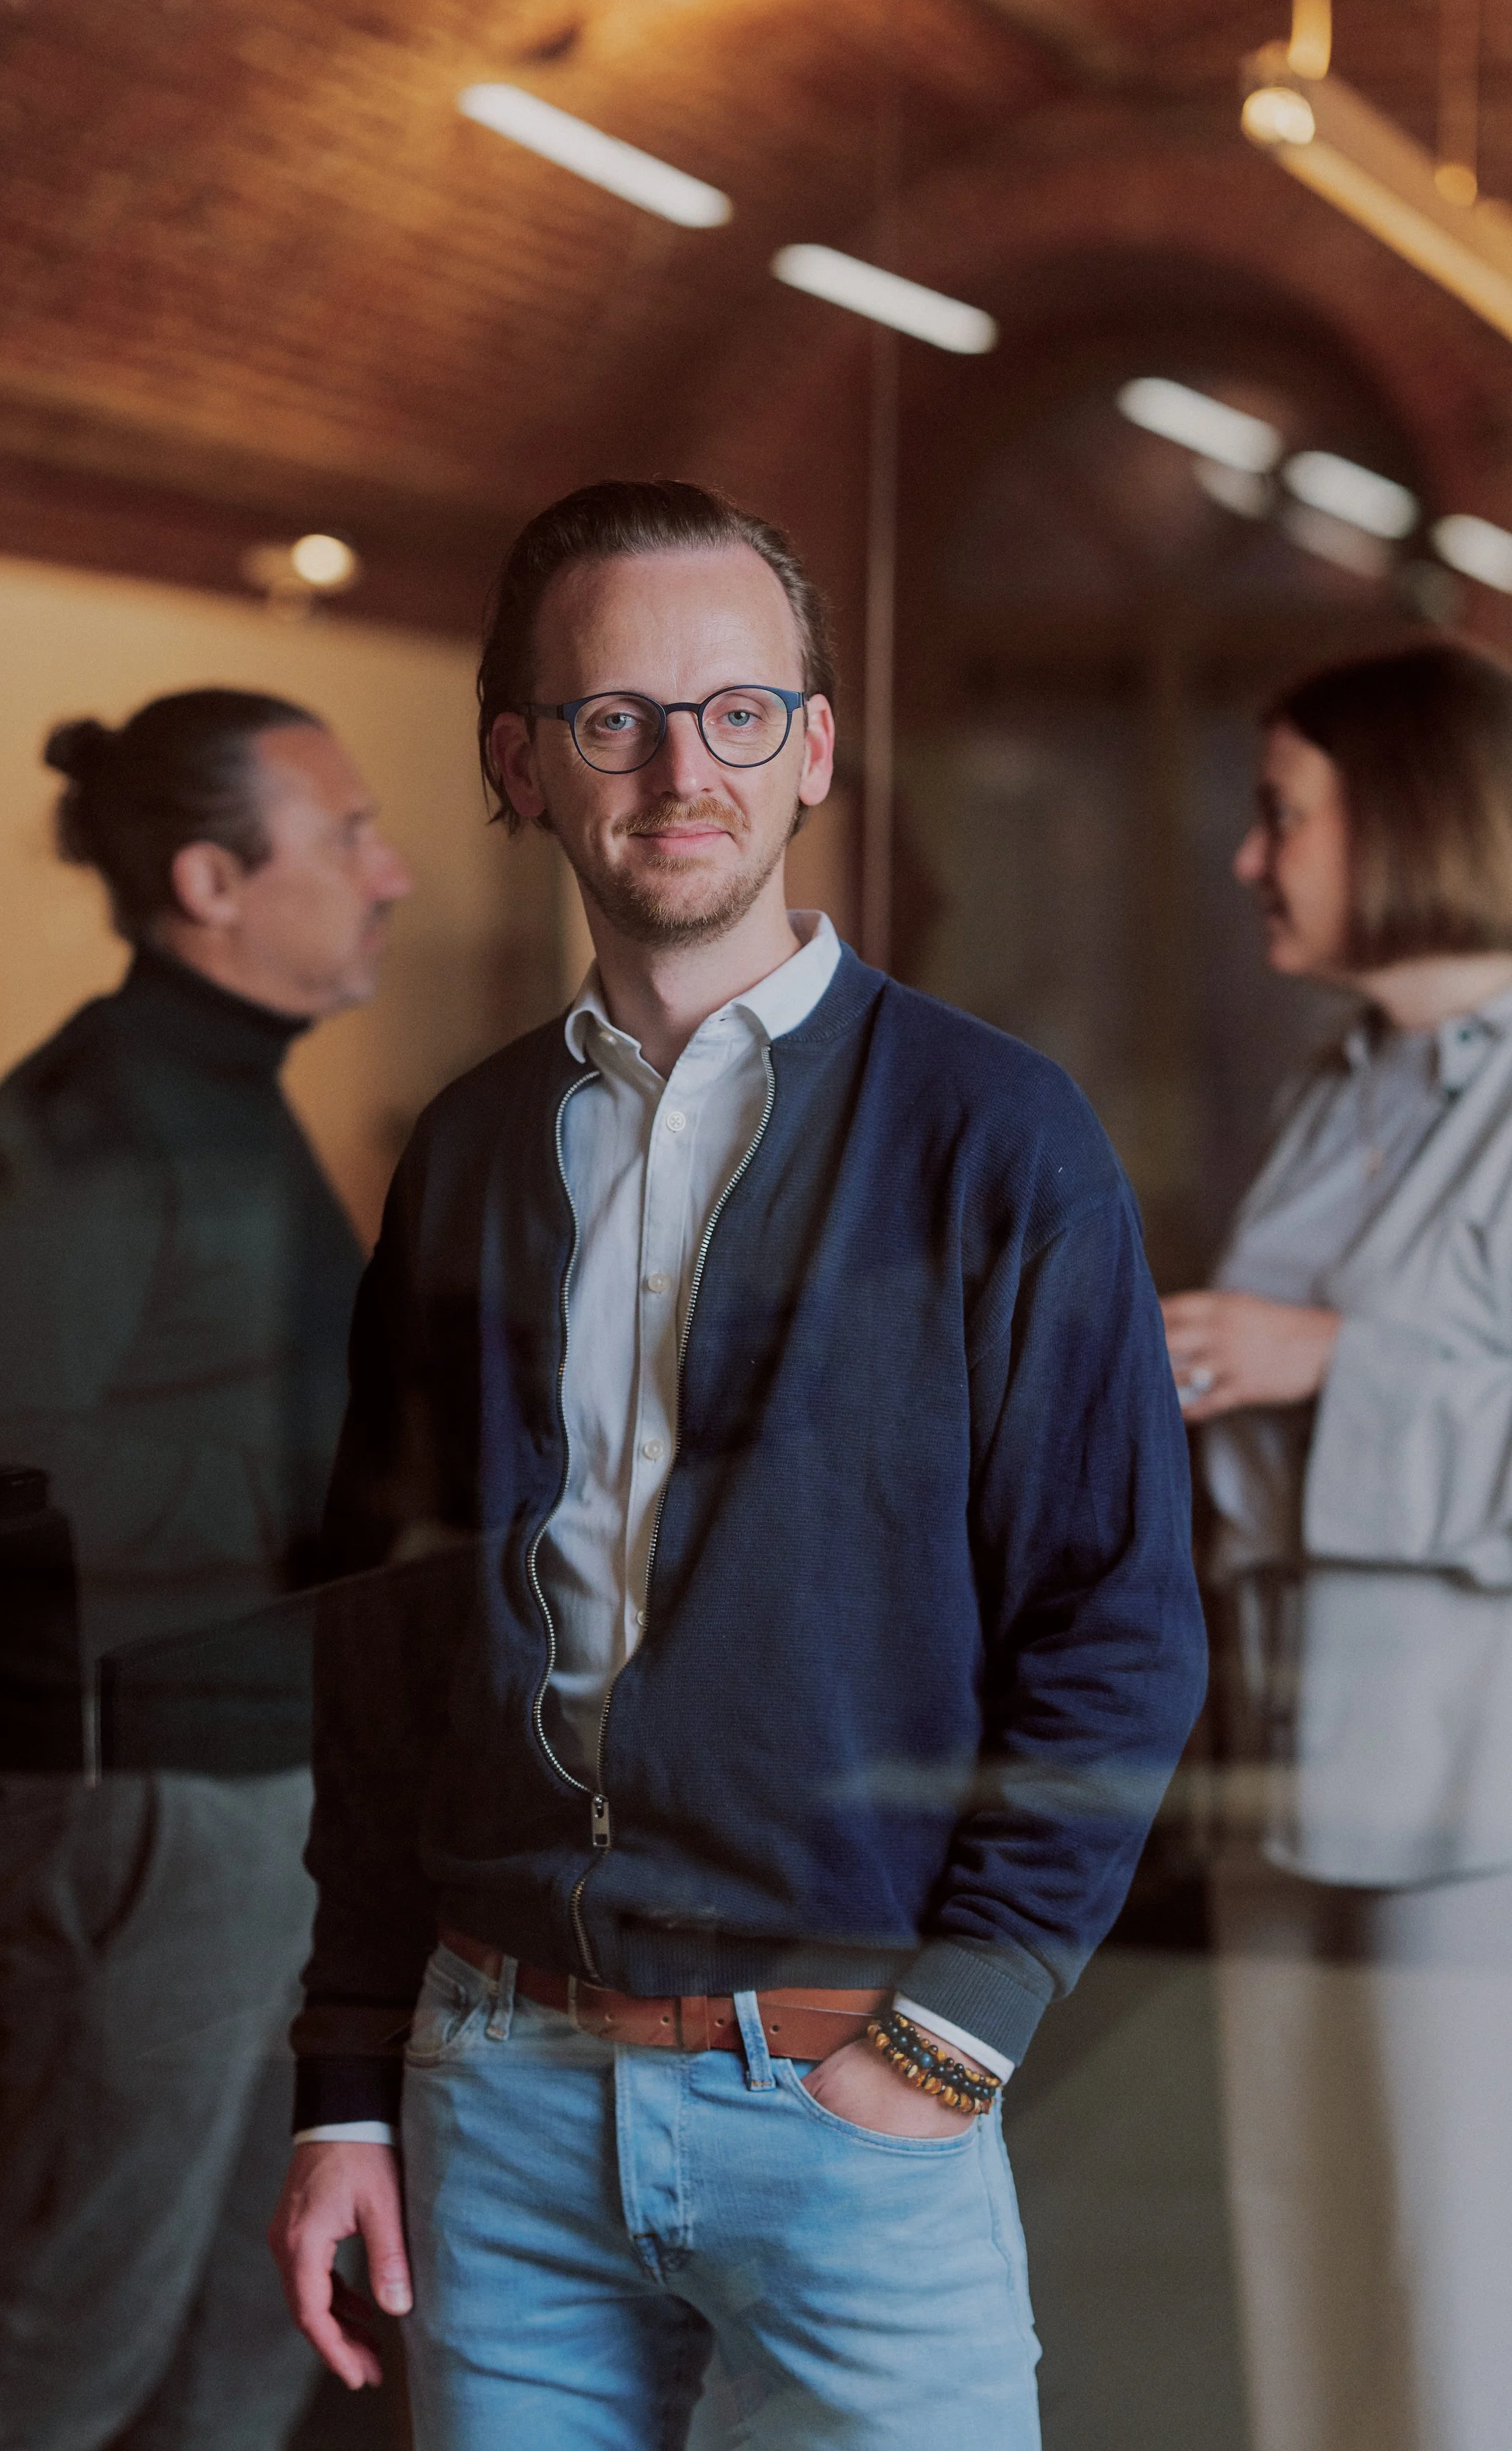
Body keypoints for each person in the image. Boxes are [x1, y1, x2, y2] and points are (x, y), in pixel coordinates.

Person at [268, 480, 1209, 2450]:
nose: (681, 767)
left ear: (818, 753)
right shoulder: (462, 1152)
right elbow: (383, 1645)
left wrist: (956, 2032)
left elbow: (1113, 1626)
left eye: (740, 712)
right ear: (520, 763)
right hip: (498, 2091)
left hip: (849, 2094)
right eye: (613, 717)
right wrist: (348, 2073)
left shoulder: (995, 1137)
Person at [0, 688, 412, 2451]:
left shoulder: (225, 1096)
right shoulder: (89, 1114)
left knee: (249, 2320)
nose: (397, 872)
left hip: (243, 1781)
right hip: (142, 1790)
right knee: (77, 2317)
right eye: (349, 835)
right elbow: (18, 1472)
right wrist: (364, 1476)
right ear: (213, 879)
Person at [1161, 641, 1512, 2451]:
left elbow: (1351, 1372)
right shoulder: (1334, 1084)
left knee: (1464, 2303)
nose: (1246, 857)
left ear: (1408, 814)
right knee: (1299, 2261)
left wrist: (1325, 1364)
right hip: (1282, 1769)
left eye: (1276, 811)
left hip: (1472, 1809)